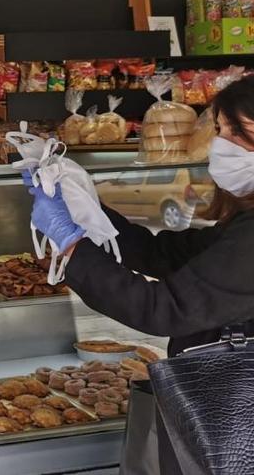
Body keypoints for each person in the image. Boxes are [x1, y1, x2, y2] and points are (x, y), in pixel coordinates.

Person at [26, 76, 254, 472]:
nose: (222, 144)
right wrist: (86, 209)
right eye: (220, 131)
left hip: (232, 410)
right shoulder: (244, 224)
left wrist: (71, 244)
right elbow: (164, 254)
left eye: (238, 131)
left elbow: (161, 309)